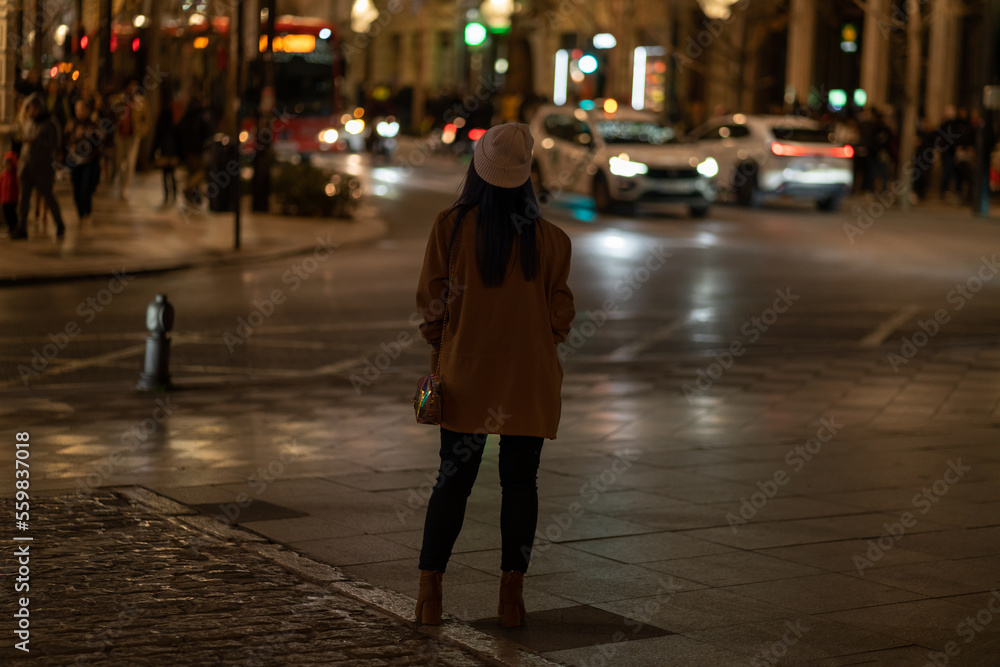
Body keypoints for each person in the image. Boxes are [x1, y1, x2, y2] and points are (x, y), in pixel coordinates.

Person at [412, 123, 575, 628]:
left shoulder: (452, 227)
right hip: (529, 382)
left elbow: (431, 308)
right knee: (521, 484)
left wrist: (444, 343)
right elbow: (561, 317)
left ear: (478, 171)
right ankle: (510, 599)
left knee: (452, 482)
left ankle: (429, 595)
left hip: (465, 376)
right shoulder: (551, 240)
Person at [16, 94, 66, 239]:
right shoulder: (30, 122)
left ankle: (60, 224)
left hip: (42, 167)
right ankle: (22, 227)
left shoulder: (50, 123)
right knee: (24, 199)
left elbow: (54, 144)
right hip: (27, 166)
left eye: (32, 108)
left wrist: (36, 143)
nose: (30, 111)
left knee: (48, 197)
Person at [65, 99, 105, 227]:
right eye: (77, 110)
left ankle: (87, 213)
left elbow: (100, 141)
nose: (79, 113)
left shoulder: (93, 125)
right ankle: (80, 213)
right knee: (76, 189)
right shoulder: (72, 124)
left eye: (81, 110)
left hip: (90, 161)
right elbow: (65, 139)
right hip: (76, 161)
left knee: (86, 188)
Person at [110, 80, 151, 201]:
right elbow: (111, 109)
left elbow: (147, 120)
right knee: (119, 161)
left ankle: (125, 187)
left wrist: (141, 131)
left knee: (130, 162)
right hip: (120, 135)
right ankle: (120, 179)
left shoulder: (141, 102)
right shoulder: (120, 99)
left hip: (133, 136)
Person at [153, 94, 181, 205]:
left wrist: (153, 153)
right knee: (172, 174)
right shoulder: (173, 125)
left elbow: (156, 140)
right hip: (172, 153)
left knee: (165, 175)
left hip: (164, 152)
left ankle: (167, 195)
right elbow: (179, 141)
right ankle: (173, 194)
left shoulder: (161, 126)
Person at [1, 152, 19, 238]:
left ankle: (14, 228)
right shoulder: (3, 174)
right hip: (4, 199)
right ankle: (10, 228)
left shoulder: (14, 175)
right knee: (6, 214)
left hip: (12, 199)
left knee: (12, 214)